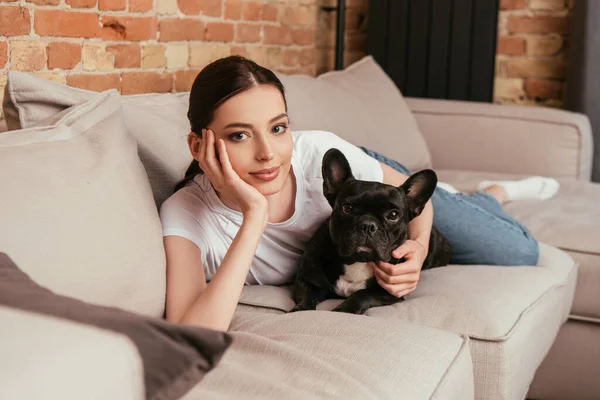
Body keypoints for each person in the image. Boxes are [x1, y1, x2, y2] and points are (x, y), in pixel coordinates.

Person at [159, 55, 559, 332]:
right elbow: (190, 329)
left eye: (278, 128)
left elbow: (413, 204)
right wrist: (254, 215)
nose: (268, 153)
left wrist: (418, 247)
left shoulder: (312, 152)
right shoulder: (187, 213)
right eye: (240, 135)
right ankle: (477, 198)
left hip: (368, 183)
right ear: (199, 147)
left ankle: (488, 196)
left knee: (518, 251)